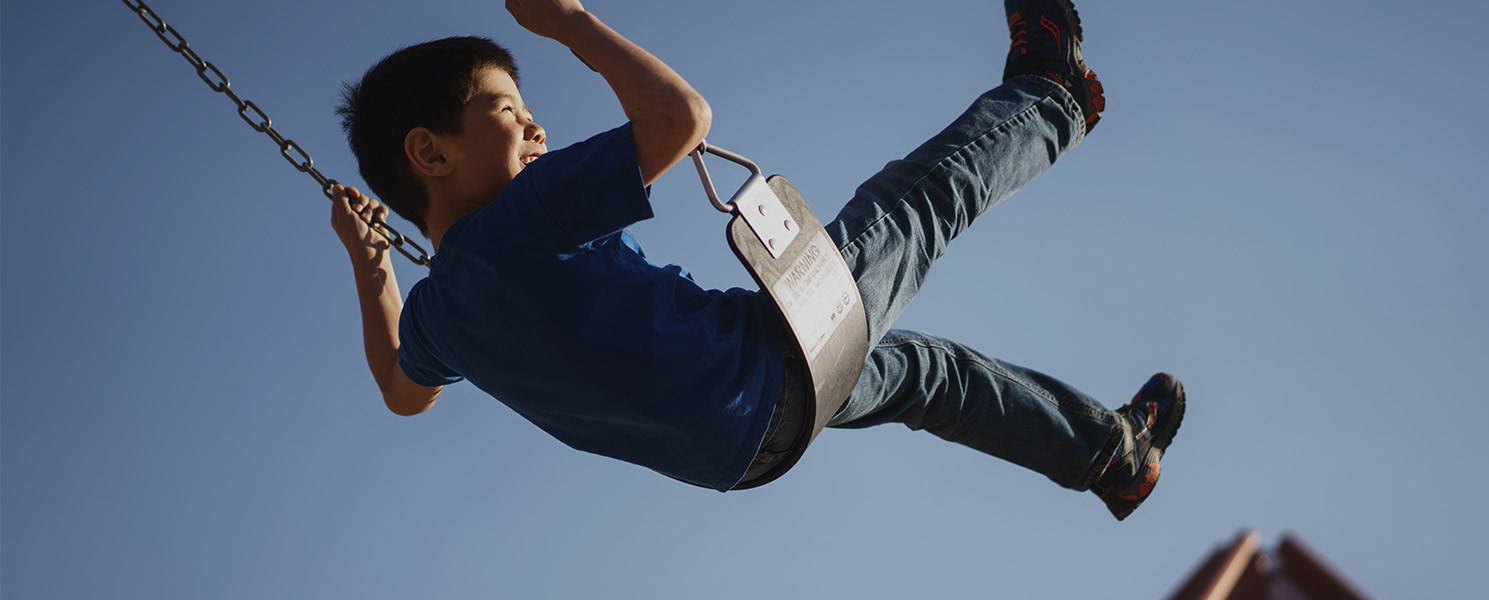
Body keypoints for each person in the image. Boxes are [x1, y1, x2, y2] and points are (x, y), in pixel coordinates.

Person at [329, 0, 1186, 520]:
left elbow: (403, 390)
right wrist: (568, 22)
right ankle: (1052, 96)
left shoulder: (438, 313)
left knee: (929, 375)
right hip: (761, 365)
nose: (533, 124)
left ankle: (1111, 457)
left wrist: (374, 273)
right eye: (506, 109)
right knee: (915, 205)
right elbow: (680, 119)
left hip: (742, 453)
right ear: (430, 153)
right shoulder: (521, 215)